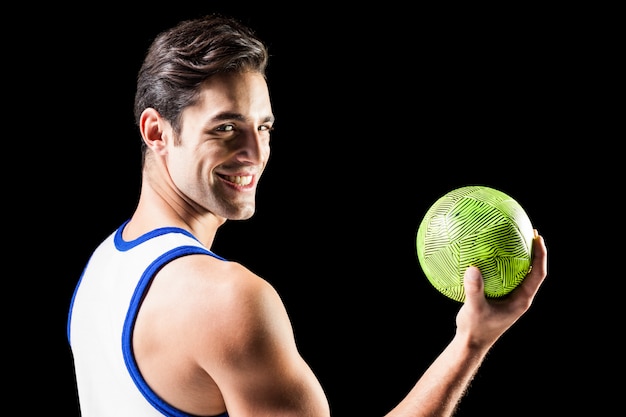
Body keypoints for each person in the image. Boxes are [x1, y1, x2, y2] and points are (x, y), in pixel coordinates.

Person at [66, 13, 548, 417]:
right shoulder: (228, 302)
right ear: (157, 132)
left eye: (264, 126)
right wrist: (471, 343)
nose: (256, 152)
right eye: (227, 128)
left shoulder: (101, 269)